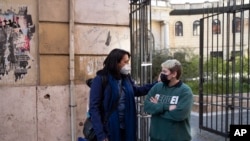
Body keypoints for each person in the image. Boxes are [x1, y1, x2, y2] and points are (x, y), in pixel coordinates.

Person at [88, 48, 157, 141]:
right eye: (125, 62)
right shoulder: (101, 79)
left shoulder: (126, 78)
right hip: (109, 129)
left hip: (127, 126)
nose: (128, 65)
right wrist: (101, 135)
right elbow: (94, 108)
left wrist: (156, 84)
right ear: (116, 63)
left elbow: (136, 91)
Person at [144, 59, 193, 141]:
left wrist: (157, 108)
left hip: (177, 138)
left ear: (174, 74)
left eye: (164, 72)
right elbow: (147, 106)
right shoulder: (157, 87)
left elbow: (180, 114)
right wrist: (167, 108)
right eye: (161, 71)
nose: (161, 74)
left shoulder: (185, 91)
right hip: (156, 137)